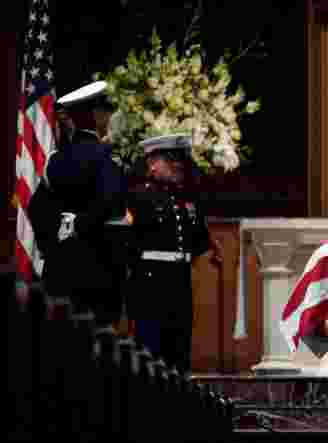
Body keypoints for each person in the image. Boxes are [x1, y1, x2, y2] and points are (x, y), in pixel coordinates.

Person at [34, 80, 129, 325]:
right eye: (105, 112)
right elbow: (110, 203)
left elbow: (37, 209)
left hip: (60, 266)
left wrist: (56, 239)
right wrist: (81, 224)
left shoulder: (54, 161)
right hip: (99, 269)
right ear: (96, 117)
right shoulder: (107, 157)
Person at [126, 132, 215, 374]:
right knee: (151, 350)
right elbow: (127, 242)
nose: (176, 166)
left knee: (179, 347)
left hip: (180, 279)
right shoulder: (139, 196)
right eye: (168, 160)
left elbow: (199, 242)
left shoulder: (188, 199)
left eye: (177, 160)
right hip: (150, 282)